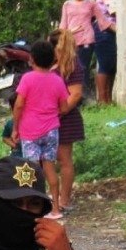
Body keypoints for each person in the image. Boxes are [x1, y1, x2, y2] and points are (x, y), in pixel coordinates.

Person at [11, 40, 70, 220]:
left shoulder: (27, 78)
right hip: (51, 130)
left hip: (30, 131)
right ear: (52, 60)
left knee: (31, 170)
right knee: (50, 167)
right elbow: (65, 107)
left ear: (32, 59)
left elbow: (19, 105)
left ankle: (31, 208)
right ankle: (56, 209)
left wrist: (15, 128)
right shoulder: (57, 80)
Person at [47, 28, 85, 214]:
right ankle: (54, 197)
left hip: (65, 119)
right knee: (50, 159)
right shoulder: (55, 63)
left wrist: (59, 112)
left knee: (64, 159)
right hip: (50, 118)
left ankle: (64, 200)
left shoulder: (72, 65)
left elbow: (75, 94)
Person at [58, 0, 114, 98]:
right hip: (70, 41)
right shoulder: (67, 4)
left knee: (83, 67)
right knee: (70, 67)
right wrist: (64, 35)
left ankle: (84, 96)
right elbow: (63, 25)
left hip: (86, 40)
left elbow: (102, 20)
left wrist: (118, 29)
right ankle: (72, 95)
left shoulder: (91, 3)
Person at [92, 0, 118, 104]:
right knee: (105, 64)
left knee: (111, 65)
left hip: (110, 30)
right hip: (105, 30)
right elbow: (114, 10)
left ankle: (108, 98)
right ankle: (103, 100)